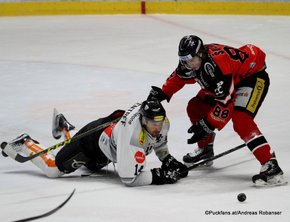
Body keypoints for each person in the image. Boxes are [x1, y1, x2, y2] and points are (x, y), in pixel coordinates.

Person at [147, 35, 286, 186]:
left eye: (191, 59)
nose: (187, 64)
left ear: (201, 54)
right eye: (184, 59)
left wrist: (208, 124)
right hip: (232, 79)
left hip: (252, 78)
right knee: (195, 107)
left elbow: (226, 103)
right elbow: (179, 77)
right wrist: (163, 93)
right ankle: (205, 148)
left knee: (241, 120)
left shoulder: (217, 66)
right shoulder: (191, 62)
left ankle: (270, 164)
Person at [1, 99, 188, 186]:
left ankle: (65, 126)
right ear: (142, 120)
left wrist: (167, 159)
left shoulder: (162, 122)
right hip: (91, 143)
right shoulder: (130, 135)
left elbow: (159, 143)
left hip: (106, 146)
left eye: (159, 123)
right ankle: (26, 141)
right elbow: (129, 178)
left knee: (89, 169)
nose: (156, 127)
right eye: (151, 123)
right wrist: (160, 176)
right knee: (53, 169)